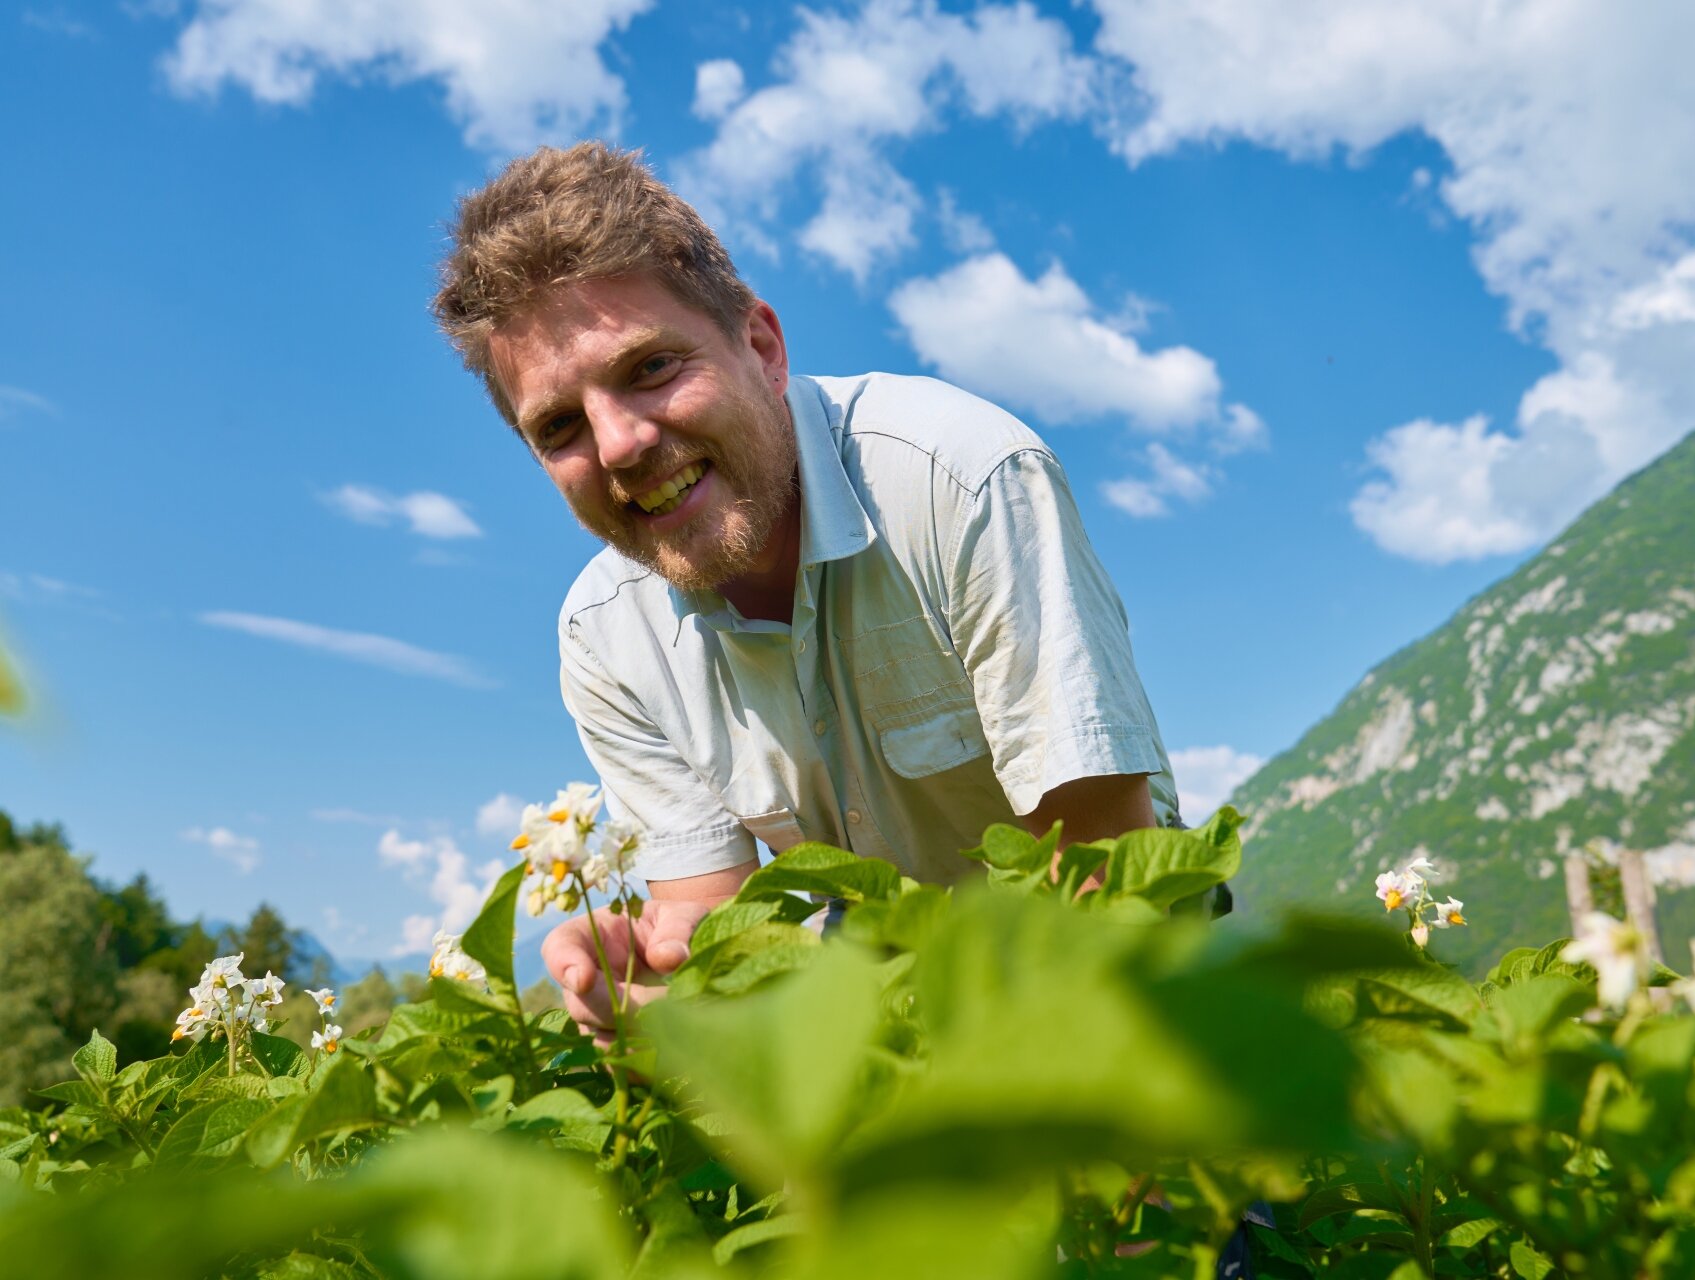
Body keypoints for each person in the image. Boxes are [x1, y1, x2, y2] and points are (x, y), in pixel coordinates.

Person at [432, 141, 1180, 1040]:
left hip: (1122, 1005)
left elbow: (1105, 879)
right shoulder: (606, 636)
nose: (621, 444)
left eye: (651, 368)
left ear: (762, 347)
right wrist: (652, 994)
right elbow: (721, 932)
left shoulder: (960, 480)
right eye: (560, 425)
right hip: (879, 1038)